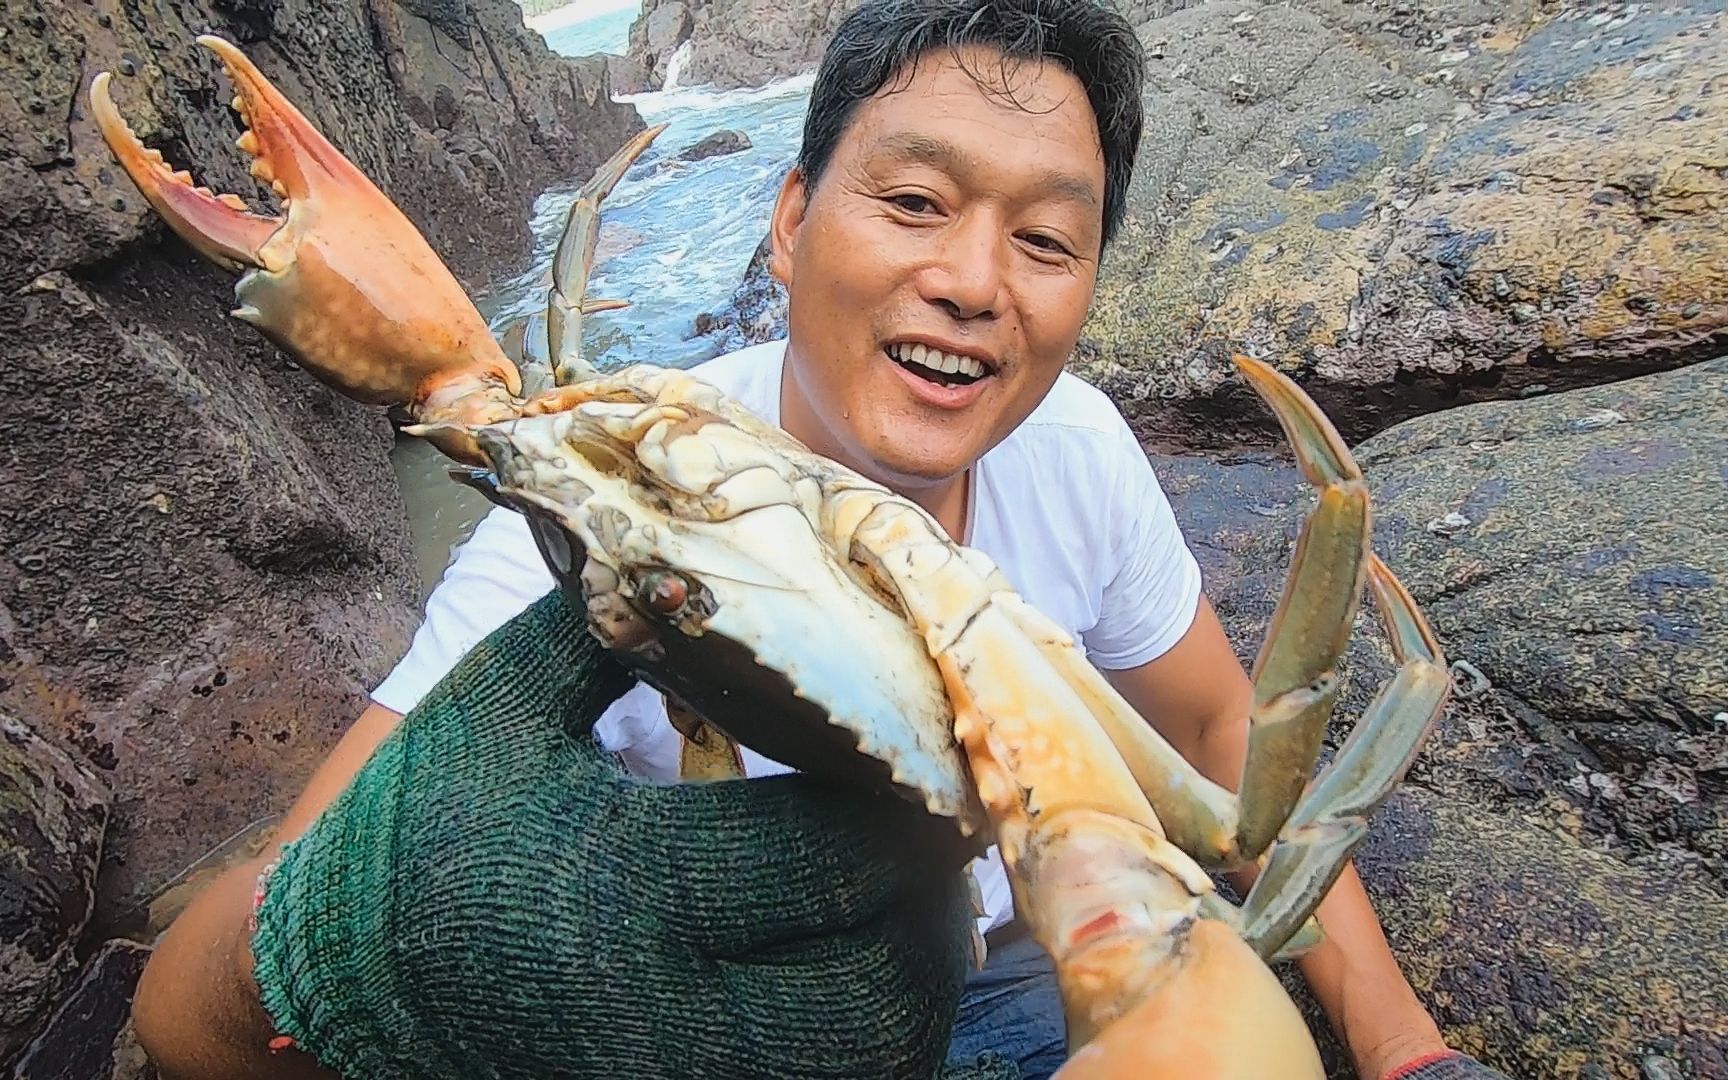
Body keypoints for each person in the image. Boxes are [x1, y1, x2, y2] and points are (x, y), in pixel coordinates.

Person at [132, 1, 1506, 1078]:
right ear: (788, 226)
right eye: (914, 203)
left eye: (1044, 237)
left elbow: (1223, 751)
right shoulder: (603, 501)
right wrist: (371, 937)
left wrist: (1404, 1051)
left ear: (1089, 282)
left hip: (1025, 962)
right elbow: (184, 1018)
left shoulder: (1074, 451)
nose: (971, 283)